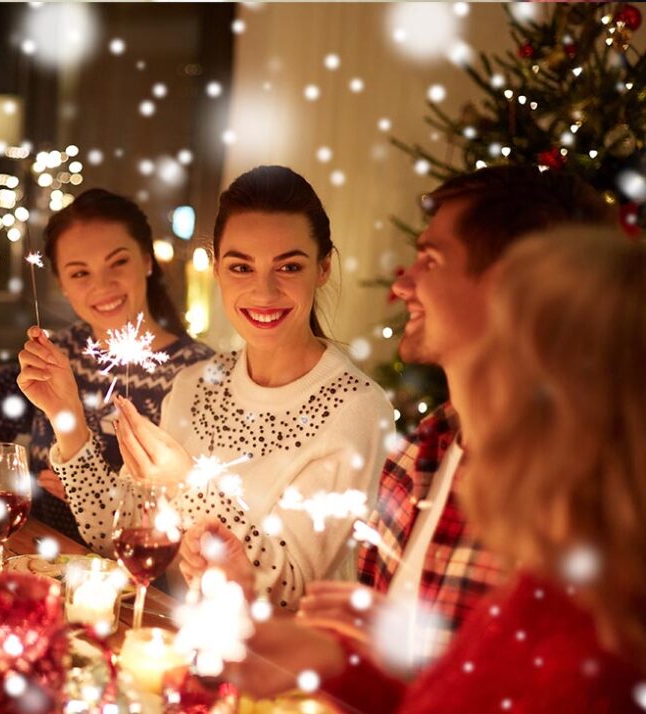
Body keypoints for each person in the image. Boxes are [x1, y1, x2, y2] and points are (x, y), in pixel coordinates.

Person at [236, 227, 646, 713]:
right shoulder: (546, 585)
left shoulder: (589, 651)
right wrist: (332, 663)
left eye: (494, 353)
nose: (468, 387)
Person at [27, 166, 394, 607]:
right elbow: (116, 536)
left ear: (323, 267)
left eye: (289, 266)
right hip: (179, 643)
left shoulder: (356, 407)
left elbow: (291, 594)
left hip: (271, 664)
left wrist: (187, 486)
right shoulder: (195, 383)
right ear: (217, 269)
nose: (264, 290)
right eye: (241, 266)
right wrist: (66, 420)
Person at [296, 165, 616, 669]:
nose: (403, 286)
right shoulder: (415, 457)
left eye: (431, 259)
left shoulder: (578, 505)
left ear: (512, 284)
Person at [0, 188, 213, 542]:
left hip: (135, 581)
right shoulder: (57, 353)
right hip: (39, 561)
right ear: (62, 284)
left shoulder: (198, 374)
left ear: (146, 260)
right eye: (80, 273)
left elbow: (199, 513)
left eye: (118, 262)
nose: (103, 284)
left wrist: (91, 492)